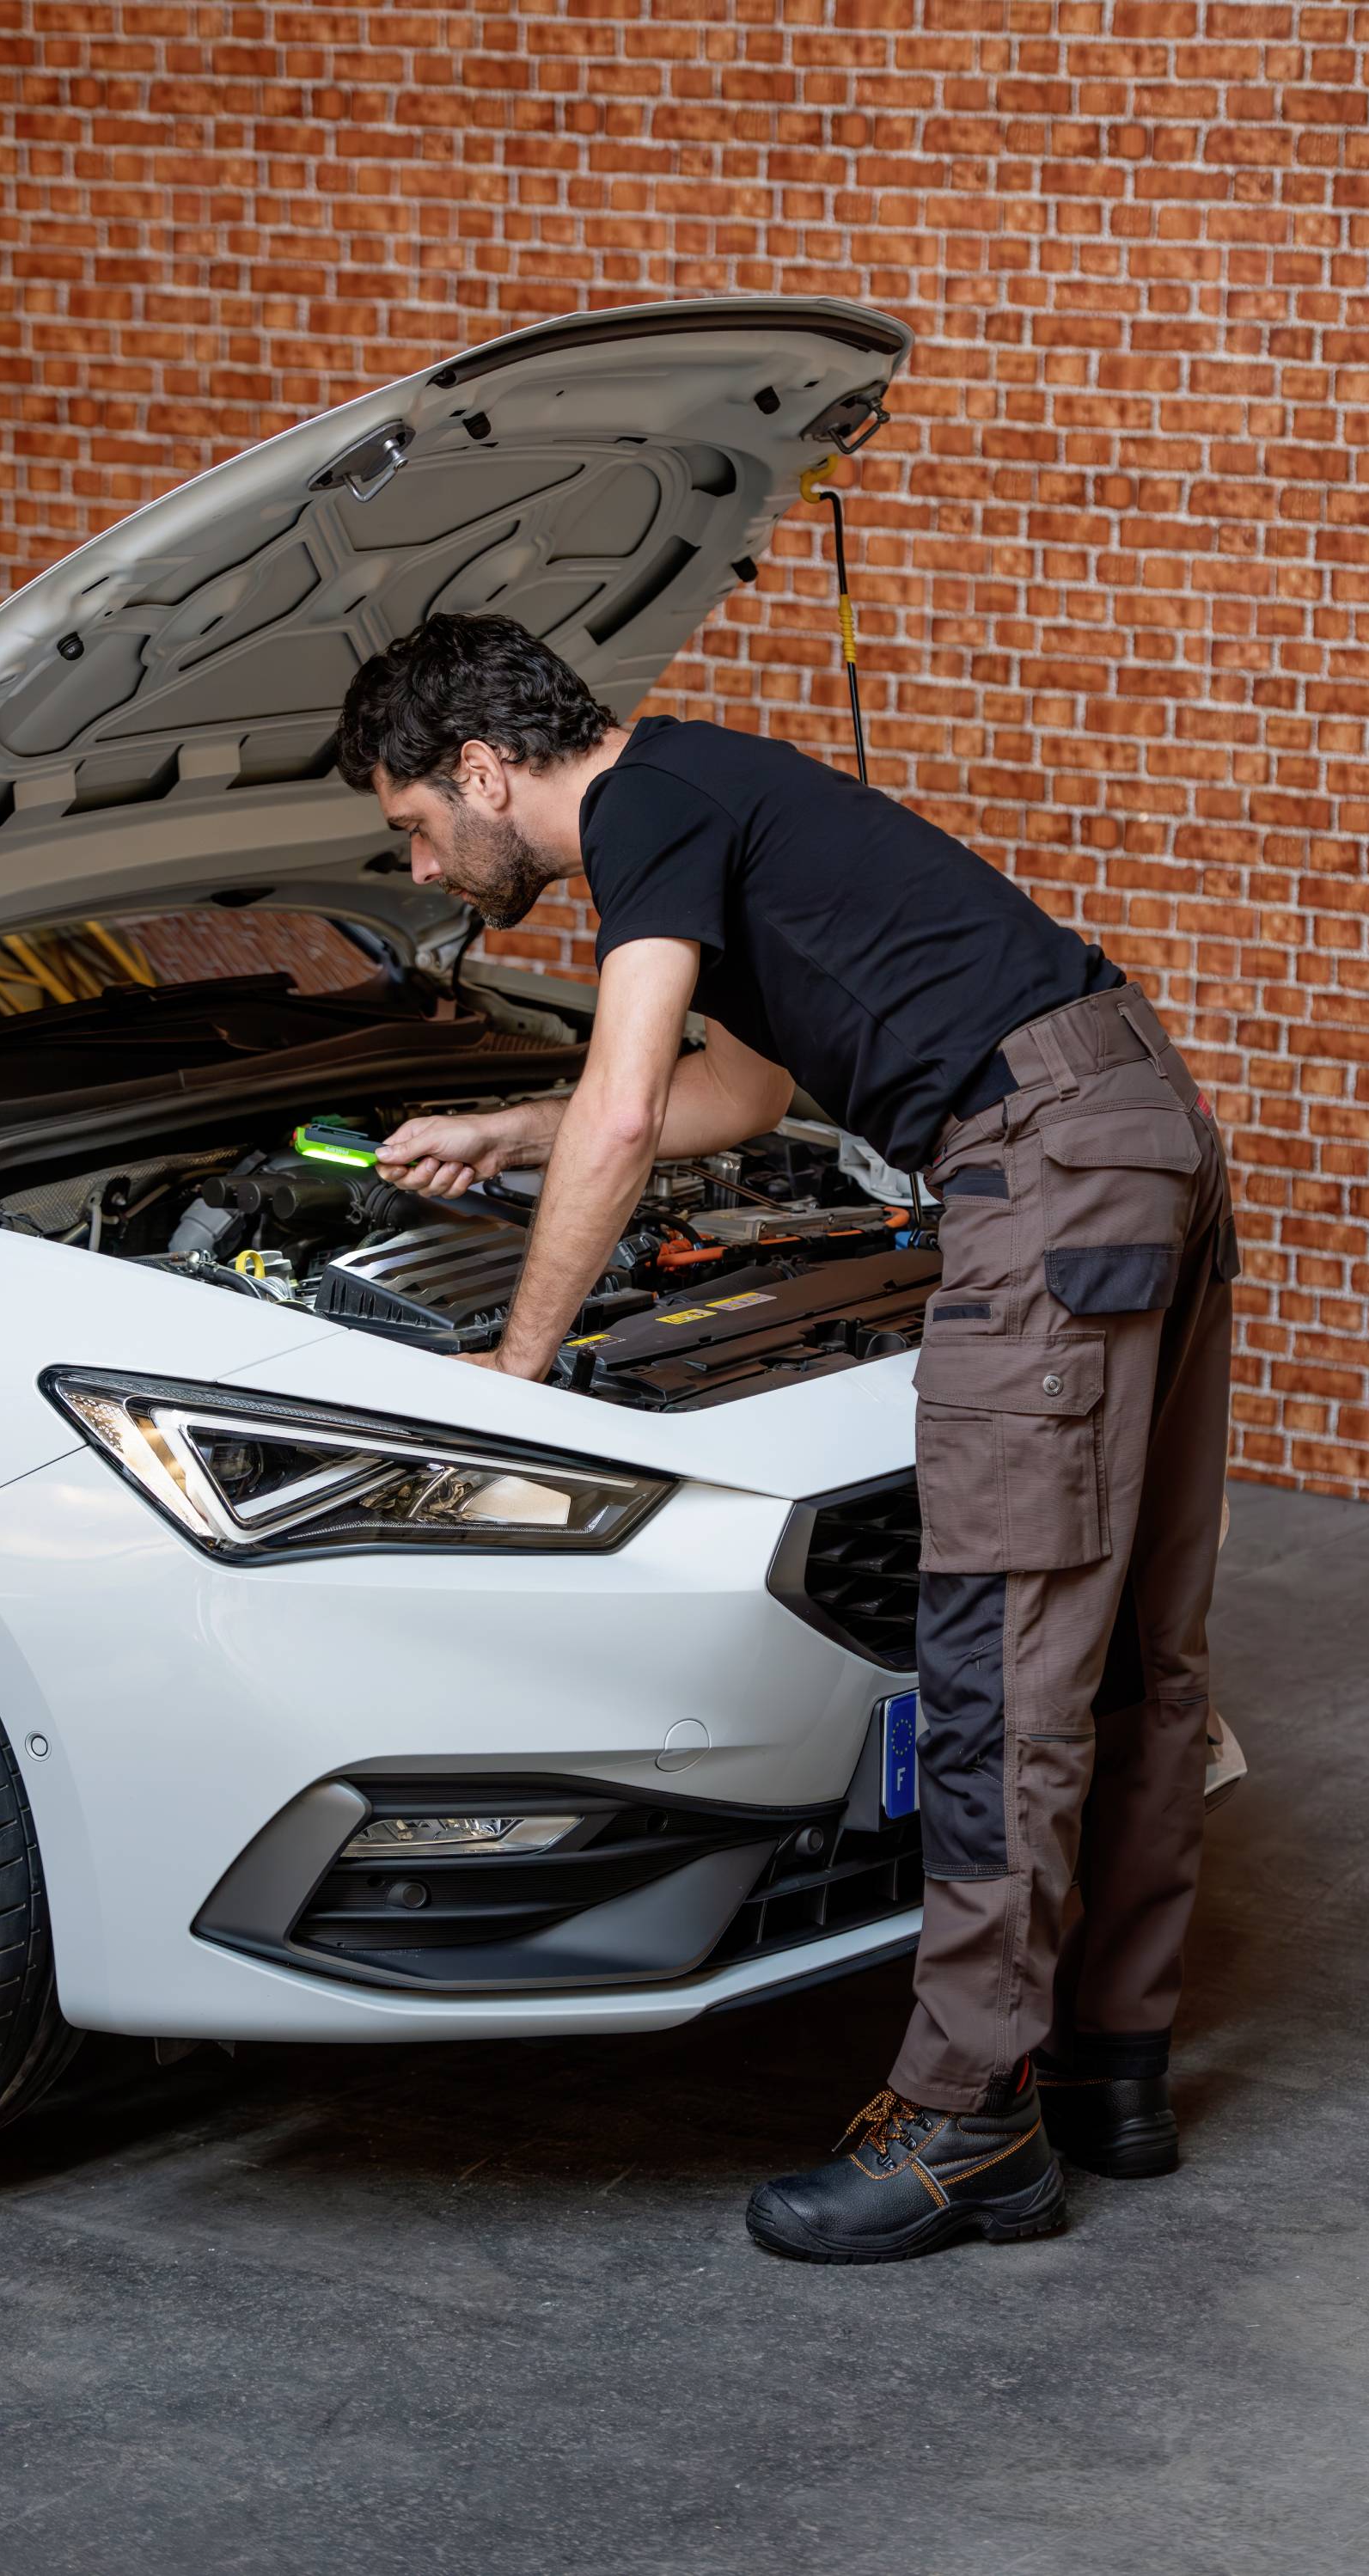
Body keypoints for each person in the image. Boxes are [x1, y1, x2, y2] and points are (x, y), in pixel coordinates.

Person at [334, 612, 1238, 2266]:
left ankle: (970, 2123)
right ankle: (1112, 2068)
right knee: (1125, 1659)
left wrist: (518, 1375)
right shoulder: (710, 789)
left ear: (480, 770)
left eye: (412, 828)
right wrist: (500, 1127)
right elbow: (727, 1100)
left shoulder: (641, 816)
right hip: (1134, 1118)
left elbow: (627, 1109)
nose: (425, 868)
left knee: (997, 1659)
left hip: (1039, 1164)